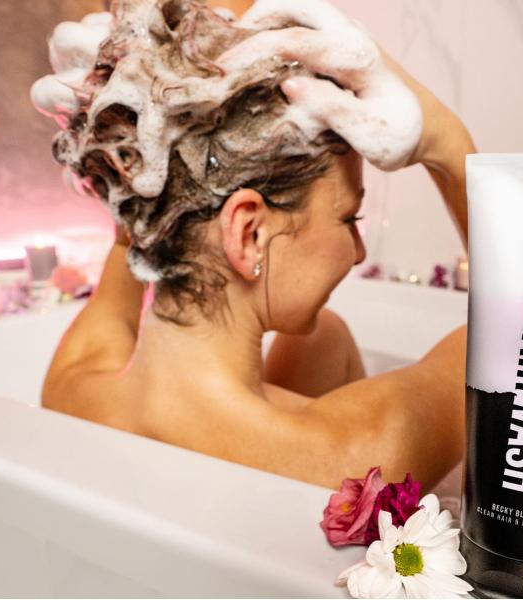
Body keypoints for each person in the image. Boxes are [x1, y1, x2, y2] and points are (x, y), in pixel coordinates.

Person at [41, 0, 476, 491]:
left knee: (322, 337)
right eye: (348, 218)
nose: (358, 251)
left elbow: (136, 222)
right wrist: (445, 139)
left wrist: (148, 118)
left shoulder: (73, 385)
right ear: (248, 233)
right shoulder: (359, 458)